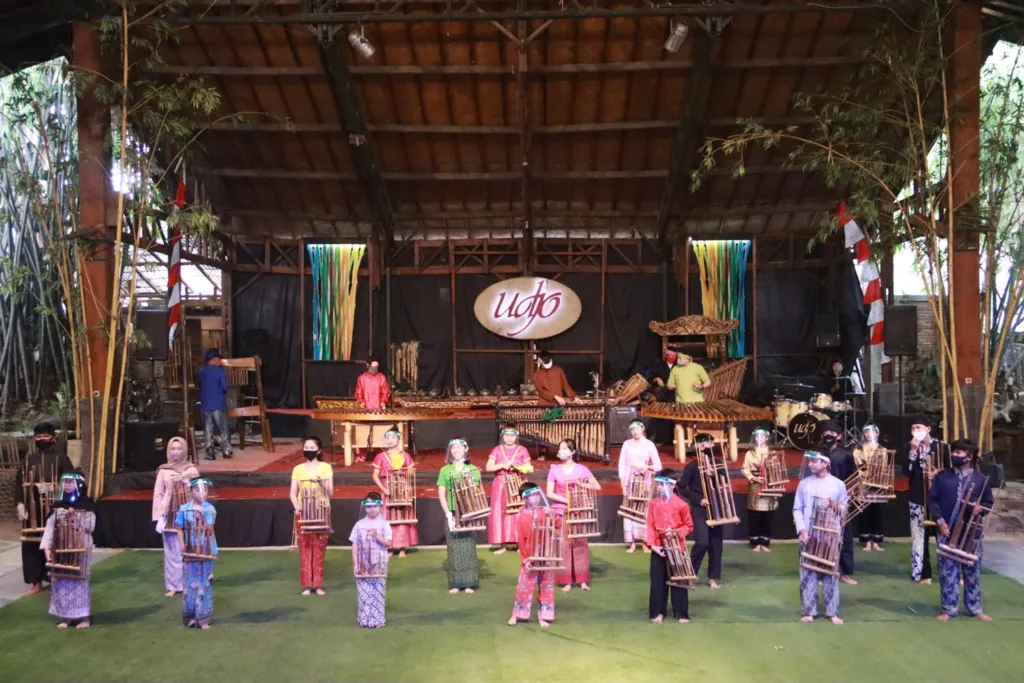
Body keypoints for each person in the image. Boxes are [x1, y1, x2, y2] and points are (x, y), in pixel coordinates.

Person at [930, 438, 994, 623]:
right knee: (947, 572)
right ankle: (949, 609)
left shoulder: (981, 480)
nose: (954, 455)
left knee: (972, 571)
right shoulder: (942, 476)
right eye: (953, 452)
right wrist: (940, 522)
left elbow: (988, 502)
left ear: (969, 456)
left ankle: (974, 608)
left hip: (971, 533)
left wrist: (979, 509)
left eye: (958, 453)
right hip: (947, 530)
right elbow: (933, 501)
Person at [15, 422, 74, 596]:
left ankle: (58, 576)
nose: (42, 439)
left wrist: (54, 490)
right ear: (34, 439)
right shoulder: (27, 460)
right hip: (33, 512)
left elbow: (71, 481)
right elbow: (19, 484)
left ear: (53, 438)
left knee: (56, 543)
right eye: (39, 437)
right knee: (31, 545)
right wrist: (19, 503)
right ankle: (36, 582)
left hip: (55, 509)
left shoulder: (61, 459)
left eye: (46, 436)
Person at [793, 450, 849, 625]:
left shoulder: (838, 484)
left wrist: (833, 505)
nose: (810, 464)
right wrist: (802, 530)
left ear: (825, 463)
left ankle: (832, 612)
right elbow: (797, 509)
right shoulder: (804, 484)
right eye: (809, 461)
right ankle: (810, 611)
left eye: (814, 461)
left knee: (830, 574)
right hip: (808, 535)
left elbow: (845, 509)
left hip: (830, 536)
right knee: (807, 573)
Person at [39, 472, 96, 629]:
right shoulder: (57, 507)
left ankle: (84, 617)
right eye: (66, 482)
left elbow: (90, 527)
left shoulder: (87, 506)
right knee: (61, 580)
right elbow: (50, 528)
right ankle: (65, 617)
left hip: (80, 548)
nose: (68, 485)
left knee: (79, 580)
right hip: (60, 549)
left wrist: (74, 518)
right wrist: (46, 548)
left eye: (71, 482)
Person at [545, 439, 601, 592]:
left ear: (572, 452)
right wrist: (566, 501)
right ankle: (566, 580)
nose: (561, 450)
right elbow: (550, 493)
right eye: (560, 447)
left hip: (578, 511)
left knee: (580, 544)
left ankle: (582, 580)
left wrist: (582, 484)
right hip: (561, 510)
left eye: (565, 448)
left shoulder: (581, 469)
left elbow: (596, 485)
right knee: (564, 544)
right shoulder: (555, 469)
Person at [679, 433, 729, 589]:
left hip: (716, 507)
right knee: (702, 543)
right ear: (698, 448)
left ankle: (713, 577)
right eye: (704, 445)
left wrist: (714, 475)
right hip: (700, 508)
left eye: (710, 444)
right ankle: (690, 573)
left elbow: (725, 484)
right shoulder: (691, 467)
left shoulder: (719, 464)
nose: (707, 447)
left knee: (716, 544)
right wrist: (698, 499)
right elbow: (681, 488)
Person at [152, 436, 200, 597]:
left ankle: (189, 583)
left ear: (185, 450)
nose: (176, 452)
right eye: (173, 449)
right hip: (170, 515)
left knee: (189, 549)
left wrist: (185, 479)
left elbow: (199, 490)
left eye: (179, 448)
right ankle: (173, 585)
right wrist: (159, 516)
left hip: (188, 514)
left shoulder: (192, 469)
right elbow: (158, 494)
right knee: (171, 551)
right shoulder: (163, 470)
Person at [645, 469, 694, 624]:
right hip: (658, 547)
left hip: (676, 547)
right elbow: (650, 526)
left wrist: (676, 533)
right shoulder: (654, 504)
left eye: (663, 484)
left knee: (679, 580)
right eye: (659, 484)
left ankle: (681, 613)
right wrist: (652, 545)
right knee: (657, 582)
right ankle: (658, 612)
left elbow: (689, 526)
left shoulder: (682, 504)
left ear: (672, 486)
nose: (660, 487)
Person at [290, 437, 334, 596]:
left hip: (321, 511)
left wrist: (321, 482)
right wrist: (297, 506)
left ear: (319, 450)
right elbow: (293, 493)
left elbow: (330, 492)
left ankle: (318, 584)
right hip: (304, 512)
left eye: (312, 447)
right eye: (306, 447)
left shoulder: (326, 467)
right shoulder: (298, 469)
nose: (308, 449)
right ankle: (307, 585)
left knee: (319, 547)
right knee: (305, 548)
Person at [436, 438, 481, 594]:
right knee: (453, 546)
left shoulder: (473, 469)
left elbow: (476, 492)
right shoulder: (445, 470)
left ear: (465, 449)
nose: (455, 450)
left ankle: (469, 582)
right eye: (452, 448)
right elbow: (441, 494)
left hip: (468, 511)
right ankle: (456, 582)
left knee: (468, 546)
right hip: (452, 512)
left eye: (458, 447)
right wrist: (448, 513)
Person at [508, 483, 556, 628]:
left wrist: (552, 515)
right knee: (524, 586)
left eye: (537, 495)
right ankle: (516, 614)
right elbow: (521, 539)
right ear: (525, 498)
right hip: (530, 555)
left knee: (546, 585)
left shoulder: (544, 512)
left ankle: (543, 615)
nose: (536, 498)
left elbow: (558, 524)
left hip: (545, 554)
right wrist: (525, 558)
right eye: (532, 496)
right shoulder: (521, 515)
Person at [905, 417, 945, 584]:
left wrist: (938, 474)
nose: (916, 430)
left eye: (919, 427)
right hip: (917, 496)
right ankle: (923, 574)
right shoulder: (910, 447)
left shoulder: (942, 447)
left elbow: (951, 471)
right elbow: (907, 472)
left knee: (943, 535)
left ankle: (948, 572)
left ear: (928, 429)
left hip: (940, 499)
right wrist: (913, 452)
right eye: (913, 427)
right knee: (919, 535)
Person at [175, 477, 218, 629]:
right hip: (190, 551)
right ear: (191, 492)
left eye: (205, 490)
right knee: (190, 585)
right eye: (198, 490)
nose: (202, 493)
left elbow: (210, 531)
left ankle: (204, 618)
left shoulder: (209, 509)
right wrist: (181, 544)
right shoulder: (184, 509)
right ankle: (190, 617)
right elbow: (179, 529)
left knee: (205, 583)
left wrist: (202, 520)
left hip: (206, 550)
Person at [819, 419, 857, 585]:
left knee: (845, 536)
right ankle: (821, 571)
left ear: (839, 436)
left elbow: (853, 476)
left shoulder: (846, 453)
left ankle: (845, 572)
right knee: (821, 536)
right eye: (825, 433)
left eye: (832, 434)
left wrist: (848, 491)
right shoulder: (818, 453)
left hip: (841, 500)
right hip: (821, 500)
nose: (828, 436)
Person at [485, 426, 533, 554]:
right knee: (500, 511)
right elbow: (488, 467)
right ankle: (502, 545)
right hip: (501, 483)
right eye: (507, 435)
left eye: (512, 436)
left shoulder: (522, 450)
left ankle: (520, 543)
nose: (509, 438)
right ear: (503, 436)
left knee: (518, 511)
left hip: (517, 481)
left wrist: (519, 467)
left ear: (516, 437)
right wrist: (502, 465)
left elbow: (529, 467)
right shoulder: (497, 450)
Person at [371, 427, 418, 556]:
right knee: (387, 516)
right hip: (387, 488)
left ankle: (402, 547)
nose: (390, 441)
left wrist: (402, 471)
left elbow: (410, 472)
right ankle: (389, 546)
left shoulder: (405, 455)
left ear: (398, 439)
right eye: (388, 438)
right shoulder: (380, 456)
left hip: (401, 487)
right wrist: (383, 489)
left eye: (393, 438)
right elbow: (375, 475)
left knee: (402, 515)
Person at [617, 420, 663, 553]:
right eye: (632, 430)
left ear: (642, 428)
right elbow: (621, 464)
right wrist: (623, 485)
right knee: (629, 510)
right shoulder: (627, 444)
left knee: (644, 509)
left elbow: (658, 465)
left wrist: (646, 467)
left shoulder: (649, 445)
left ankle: (645, 541)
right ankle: (631, 543)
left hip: (644, 481)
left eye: (637, 428)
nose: (635, 432)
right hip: (630, 480)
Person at [350, 492, 393, 628]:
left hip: (379, 561)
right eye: (368, 506)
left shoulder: (384, 524)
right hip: (363, 562)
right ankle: (364, 619)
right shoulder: (359, 524)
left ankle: (378, 620)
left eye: (374, 506)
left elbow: (388, 543)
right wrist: (356, 562)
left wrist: (376, 536)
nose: (371, 509)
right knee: (363, 591)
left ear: (380, 506)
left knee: (378, 590)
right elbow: (355, 543)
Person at [741, 428, 778, 552]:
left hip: (769, 485)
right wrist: (753, 478)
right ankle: (755, 542)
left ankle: (765, 542)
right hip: (755, 485)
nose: (759, 439)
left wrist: (771, 476)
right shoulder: (749, 453)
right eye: (757, 437)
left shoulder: (772, 453)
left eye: (762, 437)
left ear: (766, 438)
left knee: (768, 514)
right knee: (754, 514)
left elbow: (777, 468)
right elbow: (745, 469)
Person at [853, 424, 886, 552]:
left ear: (877, 433)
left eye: (871, 431)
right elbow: (858, 466)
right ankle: (867, 541)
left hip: (878, 483)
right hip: (864, 484)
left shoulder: (883, 449)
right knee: (865, 512)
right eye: (866, 432)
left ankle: (876, 541)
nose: (868, 434)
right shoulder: (859, 449)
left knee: (877, 512)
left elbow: (883, 467)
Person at [196, 348, 232, 461]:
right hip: (218, 404)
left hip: (205, 404)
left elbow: (199, 386)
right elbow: (226, 387)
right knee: (223, 428)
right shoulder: (220, 371)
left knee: (207, 429)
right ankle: (226, 451)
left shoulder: (200, 372)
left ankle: (210, 453)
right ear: (215, 359)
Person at [649, 350, 678, 444]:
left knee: (676, 417)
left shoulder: (678, 366)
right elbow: (651, 378)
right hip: (664, 395)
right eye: (671, 355)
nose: (673, 357)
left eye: (675, 355)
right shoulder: (659, 365)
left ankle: (676, 439)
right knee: (664, 417)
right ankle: (663, 439)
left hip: (676, 394)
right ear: (666, 356)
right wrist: (657, 379)